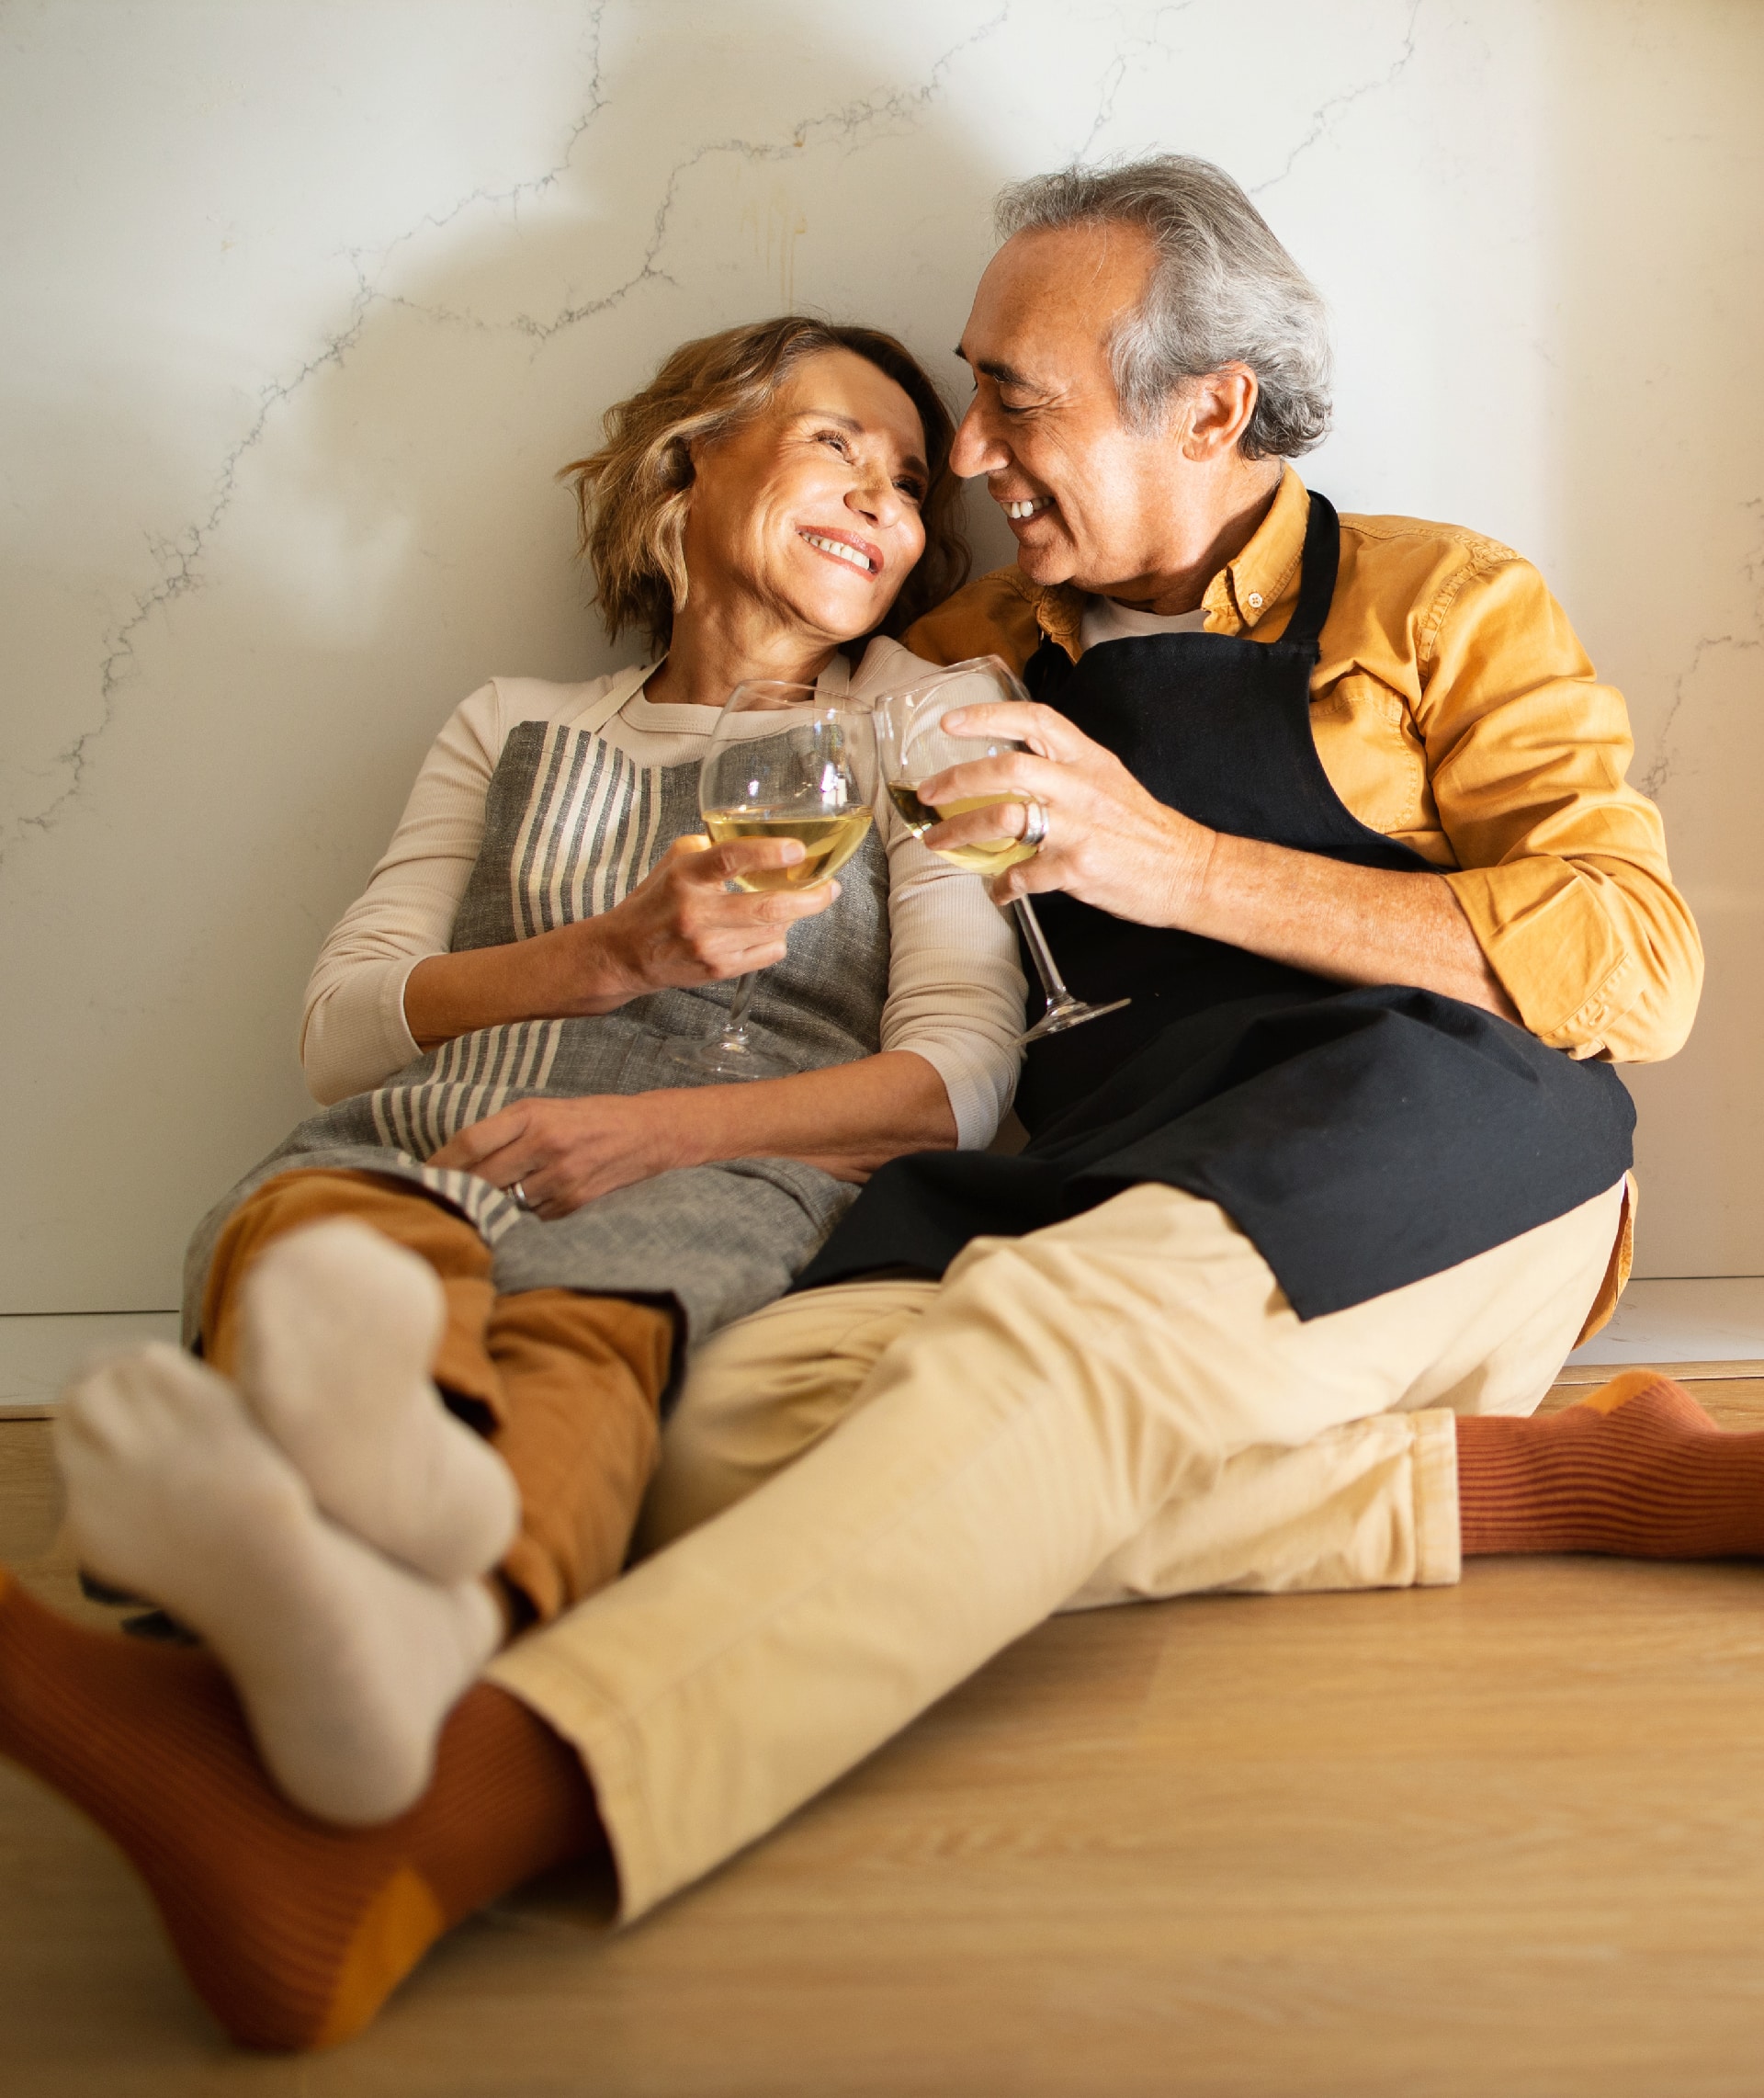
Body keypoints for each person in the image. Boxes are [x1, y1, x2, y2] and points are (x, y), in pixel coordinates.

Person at [0, 157, 1745, 2057]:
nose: (974, 459)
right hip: (1115, 1158)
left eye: (1015, 401)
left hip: (1435, 1122)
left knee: (1051, 1343)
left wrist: (1180, 868)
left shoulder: (1440, 599)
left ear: (1211, 408)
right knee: (729, 1422)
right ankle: (1561, 1475)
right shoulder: (970, 658)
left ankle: (437, 1815)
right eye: (959, 406)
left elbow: (1640, 963)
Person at [38, 314, 1024, 1822]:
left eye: (909, 485)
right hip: (437, 1135)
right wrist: (609, 956)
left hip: (728, 1171)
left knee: (590, 1335)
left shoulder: (920, 719)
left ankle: (383, 1583)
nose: (887, 500)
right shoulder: (513, 723)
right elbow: (343, 1029)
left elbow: (956, 1081)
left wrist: (653, 1134)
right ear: (687, 464)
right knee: (331, 1247)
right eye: (838, 444)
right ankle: (393, 1550)